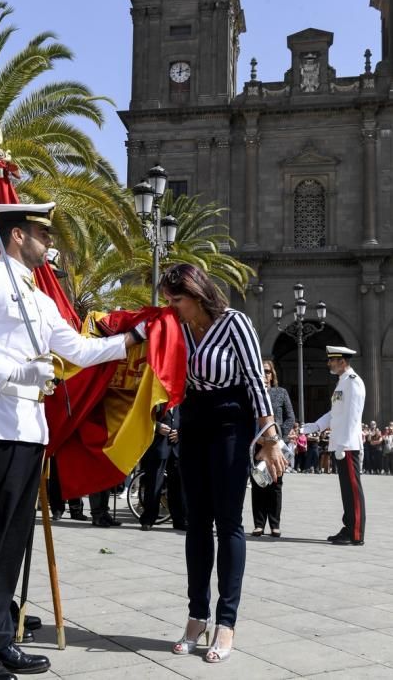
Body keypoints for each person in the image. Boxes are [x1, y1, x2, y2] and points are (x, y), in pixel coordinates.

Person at [0, 202, 145, 680]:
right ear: (15, 236)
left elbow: (76, 349)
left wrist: (133, 338)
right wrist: (16, 372)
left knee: (13, 541)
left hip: (30, 430)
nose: (49, 242)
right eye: (41, 233)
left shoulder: (39, 296)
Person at [159, 263, 285, 664]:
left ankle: (226, 622)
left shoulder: (236, 324)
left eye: (176, 299)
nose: (172, 307)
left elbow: (254, 380)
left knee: (228, 521)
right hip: (193, 422)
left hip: (232, 422)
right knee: (197, 522)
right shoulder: (177, 326)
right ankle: (197, 616)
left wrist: (269, 440)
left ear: (197, 294)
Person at [301, 345, 366, 546]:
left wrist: (343, 444)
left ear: (342, 361)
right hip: (340, 445)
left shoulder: (353, 383)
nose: (329, 363)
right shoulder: (342, 383)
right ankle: (348, 528)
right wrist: (314, 426)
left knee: (353, 490)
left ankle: (355, 533)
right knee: (346, 490)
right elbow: (334, 413)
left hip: (346, 446)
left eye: (332, 360)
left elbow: (353, 417)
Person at [250, 360, 294, 538]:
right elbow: (249, 418)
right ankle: (259, 525)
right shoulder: (252, 393)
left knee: (275, 485)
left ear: (272, 374)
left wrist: (277, 439)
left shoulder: (281, 393)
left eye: (267, 372)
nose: (265, 375)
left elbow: (290, 417)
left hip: (276, 446)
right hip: (258, 445)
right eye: (261, 372)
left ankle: (275, 525)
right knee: (258, 483)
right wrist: (258, 439)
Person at [139, 404, 187, 531]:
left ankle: (179, 519)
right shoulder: (156, 394)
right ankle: (148, 518)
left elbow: (189, 417)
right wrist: (157, 426)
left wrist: (180, 432)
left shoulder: (183, 397)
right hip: (158, 447)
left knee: (177, 486)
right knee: (154, 484)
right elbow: (141, 415)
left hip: (176, 448)